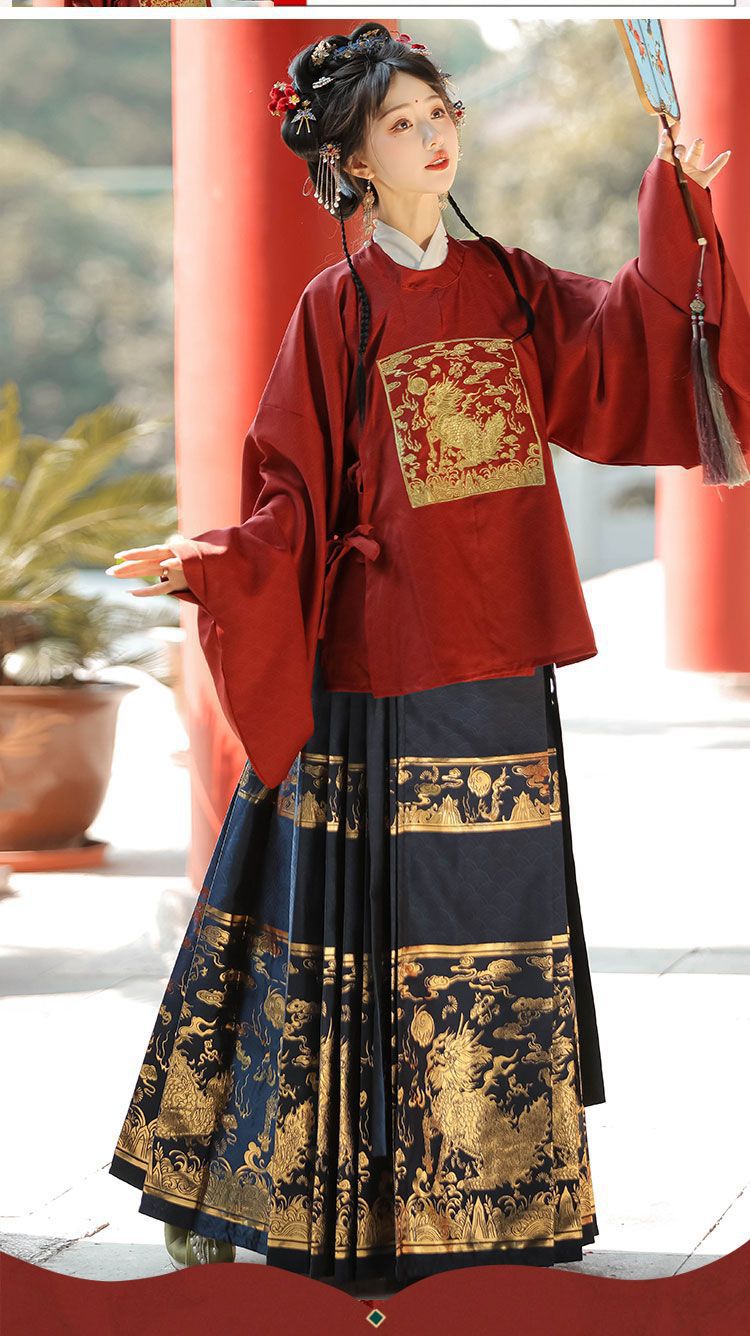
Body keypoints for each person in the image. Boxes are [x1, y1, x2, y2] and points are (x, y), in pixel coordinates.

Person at [105, 23, 749, 1287]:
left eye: (440, 111)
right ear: (354, 158)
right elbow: (291, 495)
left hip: (501, 661)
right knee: (356, 949)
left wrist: (675, 205)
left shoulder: (510, 283)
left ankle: (504, 1206)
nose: (435, 135)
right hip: (380, 666)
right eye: (402, 123)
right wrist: (216, 561)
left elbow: (626, 339)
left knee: (495, 938)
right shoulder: (334, 309)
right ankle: (279, 1201)